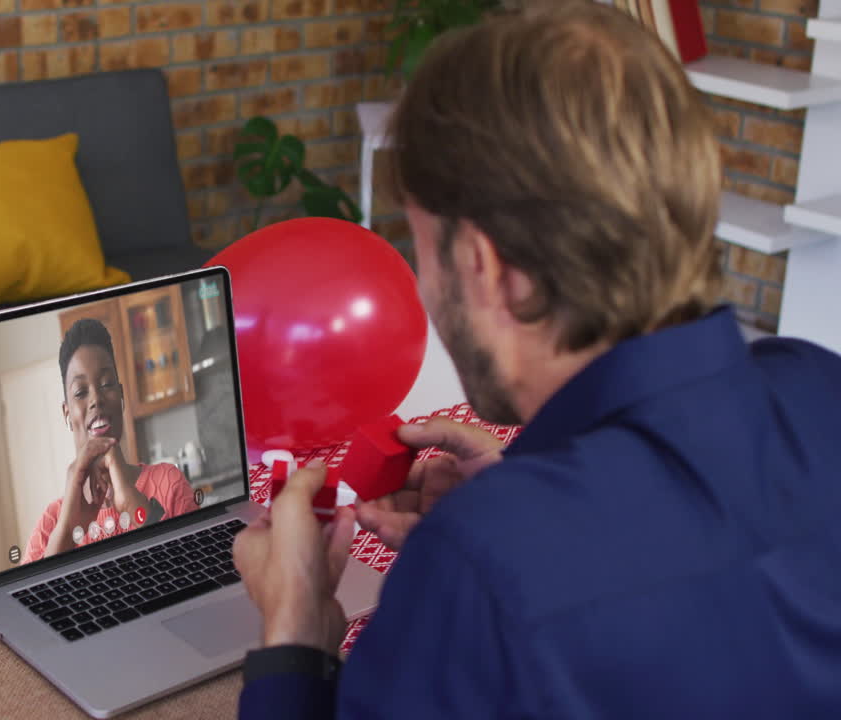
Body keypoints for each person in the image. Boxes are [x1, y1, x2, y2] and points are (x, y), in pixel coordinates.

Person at [233, 1, 841, 717]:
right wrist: (523, 490)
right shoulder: (819, 384)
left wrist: (296, 635)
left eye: (422, 246)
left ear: (488, 267)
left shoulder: (480, 566)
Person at [23, 318, 197, 563]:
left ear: (122, 396)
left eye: (106, 385)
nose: (96, 399)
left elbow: (191, 568)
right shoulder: (50, 523)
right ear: (66, 414)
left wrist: (132, 503)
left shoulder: (168, 482)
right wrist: (67, 529)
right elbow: (37, 599)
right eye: (81, 392)